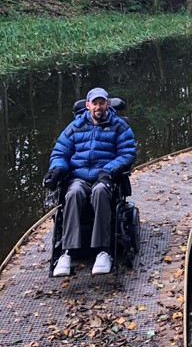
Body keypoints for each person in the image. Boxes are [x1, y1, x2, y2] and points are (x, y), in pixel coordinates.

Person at [43, 87, 137, 277]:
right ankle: (66, 253)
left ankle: (103, 251)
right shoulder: (75, 127)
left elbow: (128, 154)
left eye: (102, 103)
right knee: (73, 193)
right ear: (87, 105)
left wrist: (109, 170)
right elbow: (60, 153)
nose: (98, 107)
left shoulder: (119, 127)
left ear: (107, 104)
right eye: (95, 103)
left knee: (101, 192)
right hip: (79, 177)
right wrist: (58, 169)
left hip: (105, 178)